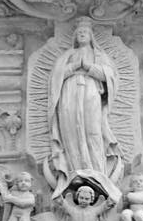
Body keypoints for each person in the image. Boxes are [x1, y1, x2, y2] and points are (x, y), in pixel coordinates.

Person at [48, 18, 121, 194]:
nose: (82, 34)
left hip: (91, 91)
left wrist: (88, 67)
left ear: (91, 36)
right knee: (71, 129)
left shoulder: (99, 55)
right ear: (75, 36)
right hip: (69, 93)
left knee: (92, 129)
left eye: (85, 32)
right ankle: (74, 170)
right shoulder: (68, 55)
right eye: (79, 32)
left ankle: (97, 171)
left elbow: (110, 76)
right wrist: (73, 67)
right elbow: (56, 76)